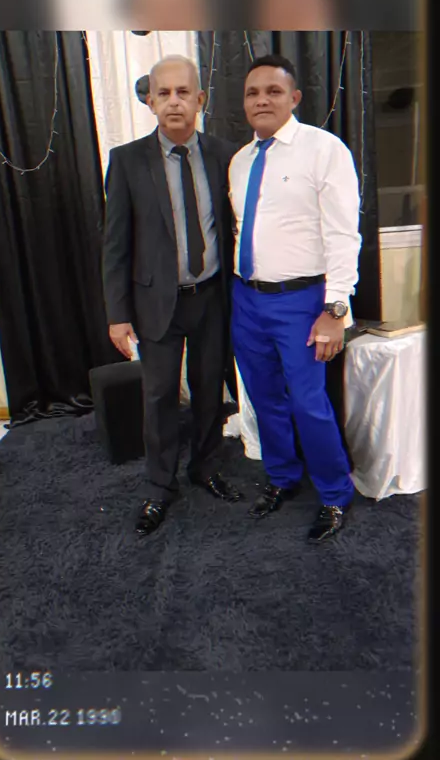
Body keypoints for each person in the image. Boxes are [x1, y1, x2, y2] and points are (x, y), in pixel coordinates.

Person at [103, 55, 241, 537]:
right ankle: (159, 485)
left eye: (184, 92)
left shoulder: (227, 155)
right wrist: (117, 313)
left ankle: (205, 466)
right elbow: (115, 244)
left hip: (212, 297)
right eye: (164, 93)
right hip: (155, 302)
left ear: (200, 99)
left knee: (209, 389)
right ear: (150, 101)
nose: (174, 102)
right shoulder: (127, 161)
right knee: (159, 395)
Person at [228, 54, 362, 543]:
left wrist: (335, 309)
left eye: (273, 91)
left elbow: (343, 234)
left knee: (308, 402)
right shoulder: (240, 161)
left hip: (302, 301)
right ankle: (283, 477)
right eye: (252, 93)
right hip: (247, 299)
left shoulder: (323, 149)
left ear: (295, 98)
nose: (261, 100)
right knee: (263, 398)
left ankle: (334, 493)